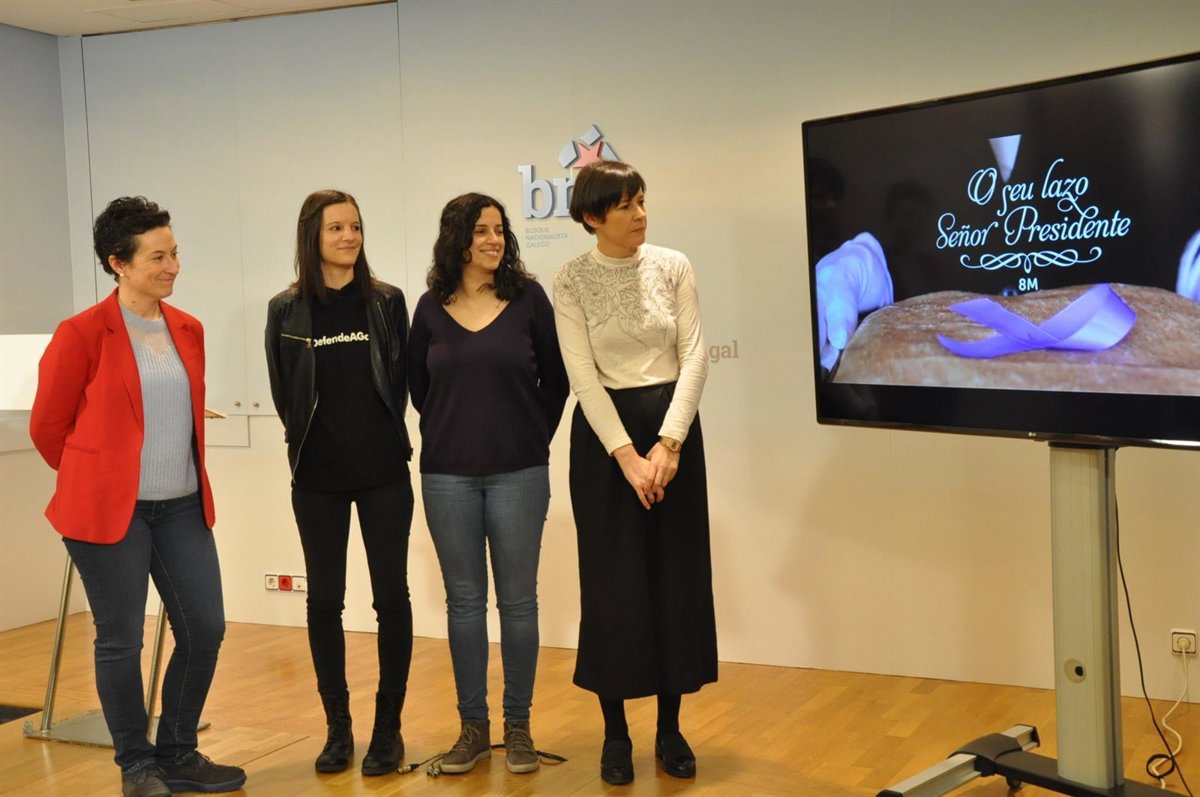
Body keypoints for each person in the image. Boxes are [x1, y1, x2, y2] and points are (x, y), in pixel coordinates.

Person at [30, 196, 245, 797]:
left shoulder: (188, 329)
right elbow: (48, 428)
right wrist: (98, 477)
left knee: (205, 628)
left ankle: (178, 753)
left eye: (174, 253)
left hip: (182, 507)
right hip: (109, 513)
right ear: (117, 263)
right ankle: (136, 766)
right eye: (157, 257)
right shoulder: (81, 333)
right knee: (121, 639)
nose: (172, 266)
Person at [553, 161, 718, 785]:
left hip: (673, 429)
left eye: (642, 201)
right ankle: (615, 733)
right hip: (605, 444)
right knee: (613, 587)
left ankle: (670, 730)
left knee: (675, 581)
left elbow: (695, 355)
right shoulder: (570, 280)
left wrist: (669, 446)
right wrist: (627, 457)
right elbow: (583, 378)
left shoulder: (674, 265)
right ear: (593, 217)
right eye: (625, 206)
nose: (640, 215)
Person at [408, 193, 569, 774]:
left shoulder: (529, 300)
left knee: (519, 603)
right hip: (447, 474)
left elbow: (556, 382)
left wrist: (529, 437)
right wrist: (455, 431)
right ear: (457, 239)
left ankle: (518, 727)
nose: (493, 240)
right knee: (464, 604)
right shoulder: (430, 308)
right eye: (480, 231)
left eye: (499, 230)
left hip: (519, 472)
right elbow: (418, 389)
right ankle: (472, 729)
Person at [265, 189, 414, 777]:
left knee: (392, 599)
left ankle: (388, 729)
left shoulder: (387, 302)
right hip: (317, 479)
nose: (349, 236)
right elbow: (286, 394)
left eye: (355, 226)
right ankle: (338, 729)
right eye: (336, 228)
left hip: (383, 474)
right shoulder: (286, 310)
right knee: (324, 601)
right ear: (313, 236)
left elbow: (400, 382)